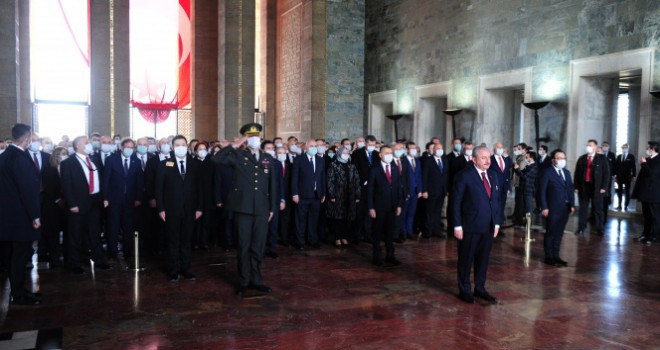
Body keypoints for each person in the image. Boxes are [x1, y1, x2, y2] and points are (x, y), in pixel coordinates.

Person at [213, 123, 278, 297]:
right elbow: (216, 159)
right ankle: (243, 281)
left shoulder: (267, 158)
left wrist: (272, 207)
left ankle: (256, 280)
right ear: (245, 138)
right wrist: (235, 144)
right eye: (250, 136)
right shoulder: (238, 156)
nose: (255, 139)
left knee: (258, 247)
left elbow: (273, 184)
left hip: (262, 210)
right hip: (243, 209)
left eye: (257, 135)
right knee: (243, 246)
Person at [452, 145, 502, 304]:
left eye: (489, 157)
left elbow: (496, 201)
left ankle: (480, 288)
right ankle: (465, 290)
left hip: (488, 227)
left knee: (483, 260)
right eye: (483, 158)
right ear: (474, 159)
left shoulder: (493, 175)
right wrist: (457, 225)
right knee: (466, 260)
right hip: (469, 227)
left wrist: (497, 223)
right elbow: (456, 202)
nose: (488, 161)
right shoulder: (464, 176)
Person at [0, 124, 42, 305]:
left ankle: (18, 289)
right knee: (19, 257)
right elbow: (27, 189)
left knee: (13, 256)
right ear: (26, 139)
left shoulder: (5, 156)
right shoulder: (19, 158)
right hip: (21, 216)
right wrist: (35, 216)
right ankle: (18, 295)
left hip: (8, 215)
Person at [59, 136, 112, 274]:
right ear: (77, 146)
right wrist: (72, 203)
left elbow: (99, 180)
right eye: (86, 143)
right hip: (78, 203)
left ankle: (98, 259)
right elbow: (66, 185)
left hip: (95, 202)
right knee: (75, 235)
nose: (89, 145)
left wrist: (103, 197)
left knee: (95, 232)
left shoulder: (93, 160)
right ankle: (74, 263)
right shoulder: (68, 163)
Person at [155, 135, 203, 282]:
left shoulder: (196, 164)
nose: (180, 147)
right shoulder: (164, 165)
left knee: (186, 241)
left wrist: (200, 208)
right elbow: (159, 189)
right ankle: (174, 270)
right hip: (171, 210)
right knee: (173, 240)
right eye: (177, 145)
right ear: (172, 147)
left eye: (183, 144)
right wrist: (161, 208)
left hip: (190, 209)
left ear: (187, 146)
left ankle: (186, 269)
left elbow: (201, 189)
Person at [102, 139, 144, 261]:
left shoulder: (137, 161)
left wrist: (138, 198)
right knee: (113, 226)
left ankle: (127, 251)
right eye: (127, 147)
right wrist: (105, 198)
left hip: (130, 200)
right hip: (114, 199)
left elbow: (139, 182)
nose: (129, 149)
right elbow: (105, 180)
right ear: (121, 147)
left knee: (128, 227)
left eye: (132, 147)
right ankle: (112, 252)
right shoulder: (111, 159)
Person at [368, 146, 404, 266]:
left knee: (390, 232)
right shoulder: (375, 169)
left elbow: (398, 188)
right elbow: (370, 190)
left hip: (392, 206)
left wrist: (399, 205)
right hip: (378, 207)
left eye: (390, 153)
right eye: (386, 153)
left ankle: (390, 255)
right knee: (377, 232)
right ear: (380, 155)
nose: (389, 155)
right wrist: (371, 207)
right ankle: (376, 256)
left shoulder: (395, 168)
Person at [539, 149, 575, 266]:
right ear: (553, 160)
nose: (561, 160)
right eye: (559, 158)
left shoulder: (567, 172)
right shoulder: (547, 172)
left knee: (559, 233)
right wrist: (544, 207)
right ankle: (549, 256)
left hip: (565, 208)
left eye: (563, 158)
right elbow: (542, 191)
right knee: (551, 232)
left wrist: (572, 205)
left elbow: (570, 190)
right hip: (552, 208)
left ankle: (556, 255)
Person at [291, 139, 326, 249]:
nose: (314, 148)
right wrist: (295, 193)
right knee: (300, 220)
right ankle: (300, 242)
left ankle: (312, 239)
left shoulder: (320, 160)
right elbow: (294, 178)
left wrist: (323, 193)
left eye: (315, 146)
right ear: (305, 147)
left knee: (314, 219)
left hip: (316, 195)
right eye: (311, 146)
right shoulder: (299, 159)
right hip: (302, 195)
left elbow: (322, 178)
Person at [39, 146, 69, 267]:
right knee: (53, 234)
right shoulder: (49, 169)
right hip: (51, 205)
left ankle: (66, 258)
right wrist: (58, 199)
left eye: (66, 153)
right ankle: (54, 259)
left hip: (66, 205)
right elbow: (48, 187)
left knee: (67, 232)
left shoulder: (68, 168)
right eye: (62, 153)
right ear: (56, 155)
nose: (64, 155)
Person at [326, 146, 361, 247]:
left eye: (347, 153)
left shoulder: (352, 166)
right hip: (338, 195)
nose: (346, 154)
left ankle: (344, 236)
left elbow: (357, 181)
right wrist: (331, 194)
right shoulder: (333, 165)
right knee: (338, 218)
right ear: (340, 153)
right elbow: (330, 181)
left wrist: (357, 194)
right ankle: (337, 237)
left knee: (348, 217)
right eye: (344, 152)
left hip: (350, 196)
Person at [574, 139, 610, 236]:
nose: (588, 147)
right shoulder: (581, 158)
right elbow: (577, 174)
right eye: (587, 145)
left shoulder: (602, 159)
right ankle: (581, 228)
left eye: (590, 145)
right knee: (583, 209)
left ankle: (599, 229)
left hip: (597, 187)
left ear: (595, 147)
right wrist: (576, 187)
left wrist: (604, 187)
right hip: (584, 186)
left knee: (598, 209)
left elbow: (607, 174)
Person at [144, 138, 172, 254]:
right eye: (163, 143)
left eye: (167, 143)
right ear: (158, 146)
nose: (165, 145)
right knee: (157, 223)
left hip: (172, 198)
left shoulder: (174, 159)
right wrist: (151, 197)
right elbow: (149, 181)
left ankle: (168, 245)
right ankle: (158, 246)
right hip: (158, 197)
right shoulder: (152, 161)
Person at [352, 135, 379, 243]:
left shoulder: (377, 154)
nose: (372, 146)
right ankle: (357, 235)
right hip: (361, 188)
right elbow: (354, 171)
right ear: (366, 143)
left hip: (373, 189)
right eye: (370, 144)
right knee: (359, 212)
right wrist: (362, 181)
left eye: (374, 145)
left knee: (370, 212)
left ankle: (367, 234)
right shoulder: (357, 153)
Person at [262, 140, 285, 259]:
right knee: (262, 226)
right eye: (268, 148)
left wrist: (282, 199)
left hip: (274, 199)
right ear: (263, 150)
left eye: (272, 148)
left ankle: (272, 248)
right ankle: (261, 248)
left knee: (274, 226)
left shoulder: (277, 164)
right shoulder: (258, 162)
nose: (270, 150)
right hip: (262, 199)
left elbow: (280, 183)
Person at [192, 141, 216, 250]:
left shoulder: (211, 162)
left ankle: (204, 241)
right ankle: (195, 241)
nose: (202, 151)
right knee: (196, 221)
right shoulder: (192, 163)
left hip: (208, 196)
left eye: (204, 149)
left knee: (207, 221)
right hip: (195, 196)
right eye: (200, 149)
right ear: (196, 151)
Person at [422, 143, 448, 238]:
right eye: (438, 148)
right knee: (430, 212)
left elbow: (446, 176)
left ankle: (436, 230)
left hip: (442, 191)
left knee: (438, 212)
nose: (440, 150)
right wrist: (424, 190)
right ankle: (428, 232)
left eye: (441, 148)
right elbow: (424, 176)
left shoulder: (445, 160)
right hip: (431, 191)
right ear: (433, 150)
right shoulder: (428, 161)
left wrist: (446, 189)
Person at [636, 142, 660, 245]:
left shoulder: (658, 159)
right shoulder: (649, 159)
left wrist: (643, 163)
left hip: (654, 194)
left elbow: (652, 174)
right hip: (645, 192)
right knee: (647, 216)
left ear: (653, 149)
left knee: (655, 216)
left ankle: (656, 237)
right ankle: (646, 234)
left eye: (648, 148)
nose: (646, 149)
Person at [400, 141, 422, 240]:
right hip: (407, 191)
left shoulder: (417, 161)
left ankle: (409, 231)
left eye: (415, 148)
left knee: (411, 213)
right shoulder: (403, 160)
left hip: (416, 191)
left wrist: (420, 190)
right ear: (407, 150)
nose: (414, 150)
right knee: (404, 212)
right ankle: (403, 231)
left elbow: (419, 176)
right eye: (412, 148)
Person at [490, 142, 513, 230]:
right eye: (498, 147)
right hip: (494, 186)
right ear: (494, 148)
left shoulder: (505, 159)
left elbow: (507, 172)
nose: (500, 149)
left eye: (501, 147)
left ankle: (499, 225)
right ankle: (493, 223)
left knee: (502, 206)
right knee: (494, 205)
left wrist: (508, 186)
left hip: (504, 187)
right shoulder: (491, 159)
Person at [274, 146, 293, 248]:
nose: (282, 155)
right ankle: (274, 237)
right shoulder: (273, 165)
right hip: (276, 196)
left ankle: (284, 238)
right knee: (275, 219)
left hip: (287, 196)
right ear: (276, 154)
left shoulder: (289, 165)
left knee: (285, 219)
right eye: (280, 153)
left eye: (283, 153)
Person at [513, 150, 538, 219]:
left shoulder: (534, 167)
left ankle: (529, 226)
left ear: (531, 157)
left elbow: (525, 176)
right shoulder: (528, 166)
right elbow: (521, 173)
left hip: (528, 190)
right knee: (524, 208)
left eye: (527, 157)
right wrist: (516, 168)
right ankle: (525, 222)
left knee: (528, 208)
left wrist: (517, 169)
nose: (526, 158)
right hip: (523, 189)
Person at [613, 143, 636, 211]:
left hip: (627, 177)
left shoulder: (631, 156)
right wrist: (614, 174)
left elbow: (633, 166)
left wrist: (634, 175)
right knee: (619, 191)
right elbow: (616, 166)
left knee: (627, 192)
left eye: (626, 147)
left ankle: (626, 205)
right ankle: (619, 205)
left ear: (628, 148)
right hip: (619, 176)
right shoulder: (619, 156)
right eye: (623, 147)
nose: (624, 148)